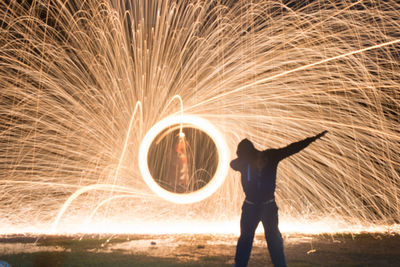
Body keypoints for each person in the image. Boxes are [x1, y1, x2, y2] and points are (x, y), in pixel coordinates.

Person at [231, 130, 328, 267]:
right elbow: (232, 164)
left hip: (266, 207)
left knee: (272, 240)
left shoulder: (270, 156)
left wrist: (311, 139)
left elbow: (291, 149)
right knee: (247, 240)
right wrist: (249, 161)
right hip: (252, 207)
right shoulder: (244, 162)